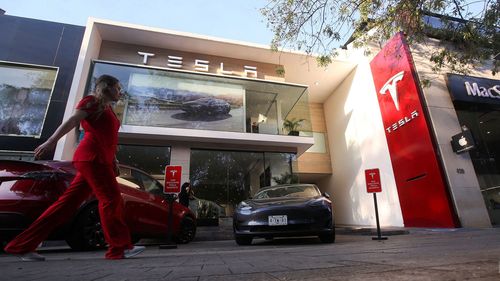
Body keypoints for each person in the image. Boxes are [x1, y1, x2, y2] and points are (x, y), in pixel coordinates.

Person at [3, 75, 145, 261]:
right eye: (118, 88)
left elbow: (106, 138)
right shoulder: (91, 101)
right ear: (107, 87)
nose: (120, 91)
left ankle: (23, 246)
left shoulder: (107, 108)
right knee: (111, 199)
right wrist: (51, 141)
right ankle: (120, 248)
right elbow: (71, 121)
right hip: (92, 159)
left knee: (65, 206)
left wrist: (114, 160)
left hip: (100, 160)